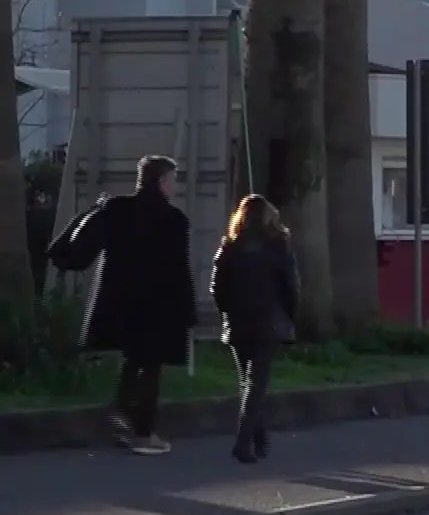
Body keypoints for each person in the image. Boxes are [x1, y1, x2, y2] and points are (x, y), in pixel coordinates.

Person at [73, 155, 197, 455]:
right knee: (151, 368)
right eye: (172, 180)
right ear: (161, 181)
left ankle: (122, 416)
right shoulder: (173, 220)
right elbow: (178, 269)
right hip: (158, 305)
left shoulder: (117, 209)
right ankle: (144, 433)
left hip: (122, 302)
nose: (174, 186)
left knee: (132, 361)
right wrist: (188, 310)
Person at [209, 195, 300, 464]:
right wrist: (289, 315)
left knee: (248, 382)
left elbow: (217, 287)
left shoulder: (229, 247)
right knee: (256, 383)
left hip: (238, 323)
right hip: (268, 322)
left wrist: (226, 312)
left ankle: (259, 438)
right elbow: (290, 286)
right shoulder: (278, 247)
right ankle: (243, 442)